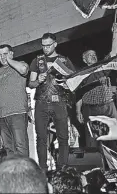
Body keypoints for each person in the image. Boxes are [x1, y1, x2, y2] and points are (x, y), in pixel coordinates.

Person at [28, 32, 75, 170]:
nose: (46, 48)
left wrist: (67, 84)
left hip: (59, 101)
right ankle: (42, 169)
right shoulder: (37, 61)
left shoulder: (64, 60)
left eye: (48, 45)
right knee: (41, 138)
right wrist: (38, 80)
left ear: (55, 44)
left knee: (63, 137)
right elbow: (31, 84)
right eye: (43, 46)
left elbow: (73, 81)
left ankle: (63, 169)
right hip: (41, 102)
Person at [76, 21, 117, 148]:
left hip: (108, 107)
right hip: (92, 110)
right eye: (90, 55)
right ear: (84, 60)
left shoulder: (102, 66)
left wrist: (115, 33)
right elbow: (78, 94)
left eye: (94, 54)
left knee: (114, 139)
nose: (93, 56)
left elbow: (114, 52)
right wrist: (78, 111)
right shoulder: (81, 74)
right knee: (95, 142)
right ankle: (99, 167)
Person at [0, 44, 30, 156]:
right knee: (8, 148)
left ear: (11, 53)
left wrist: (9, 59)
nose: (2, 57)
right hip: (2, 116)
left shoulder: (21, 64)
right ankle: (13, 173)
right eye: (0, 55)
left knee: (20, 146)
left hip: (18, 113)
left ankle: (25, 172)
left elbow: (24, 70)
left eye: (5, 54)